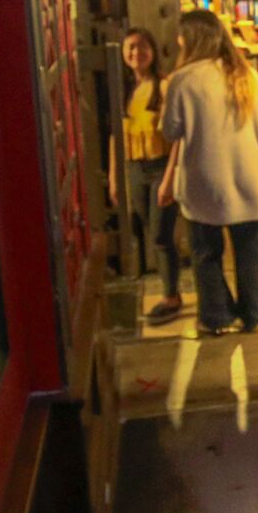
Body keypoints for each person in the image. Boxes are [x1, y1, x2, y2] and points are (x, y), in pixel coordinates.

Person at [159, 9, 258, 335]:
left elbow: (170, 131)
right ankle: (252, 313)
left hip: (203, 180)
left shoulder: (182, 80)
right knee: (251, 249)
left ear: (190, 39)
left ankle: (216, 316)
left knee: (206, 252)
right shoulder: (245, 74)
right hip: (249, 177)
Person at [109, 27, 183, 325]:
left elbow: (179, 134)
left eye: (141, 47)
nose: (135, 53)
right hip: (135, 169)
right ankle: (167, 289)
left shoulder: (164, 87)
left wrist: (170, 176)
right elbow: (115, 137)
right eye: (130, 48)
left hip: (160, 166)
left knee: (161, 234)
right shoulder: (125, 90)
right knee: (150, 231)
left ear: (152, 51)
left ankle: (171, 296)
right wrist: (116, 178)